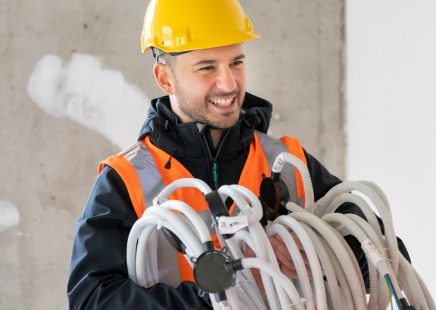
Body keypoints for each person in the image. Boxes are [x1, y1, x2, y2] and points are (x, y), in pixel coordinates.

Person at [67, 0, 409, 308]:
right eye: (207, 67)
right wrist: (228, 289)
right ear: (165, 79)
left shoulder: (288, 163)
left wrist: (318, 254)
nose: (228, 83)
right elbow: (91, 299)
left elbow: (390, 257)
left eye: (236, 62)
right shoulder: (128, 179)